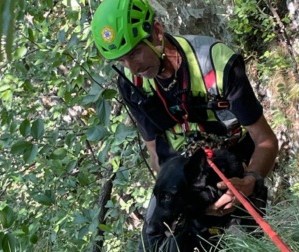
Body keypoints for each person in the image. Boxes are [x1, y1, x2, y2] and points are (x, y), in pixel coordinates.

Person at [91, 0, 279, 250]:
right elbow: (156, 154)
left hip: (234, 164)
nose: (133, 67)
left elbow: (266, 141)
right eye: (122, 60)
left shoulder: (217, 63)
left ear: (157, 32)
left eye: (135, 52)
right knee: (153, 244)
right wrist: (187, 202)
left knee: (240, 244)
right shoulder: (131, 83)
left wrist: (251, 180)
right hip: (183, 173)